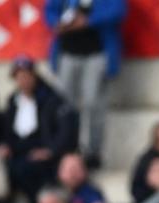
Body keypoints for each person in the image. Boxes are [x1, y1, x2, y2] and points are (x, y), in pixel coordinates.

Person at [45, 0, 127, 167]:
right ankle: (66, 149)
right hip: (68, 53)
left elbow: (118, 10)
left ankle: (92, 152)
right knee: (65, 106)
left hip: (96, 53)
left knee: (93, 104)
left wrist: (89, 21)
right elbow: (50, 10)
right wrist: (58, 23)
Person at [1, 56, 78, 203]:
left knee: (27, 170)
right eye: (19, 77)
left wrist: (51, 150)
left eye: (26, 75)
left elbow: (65, 130)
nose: (23, 80)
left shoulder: (51, 99)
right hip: (17, 152)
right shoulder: (13, 101)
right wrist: (5, 145)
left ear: (34, 76)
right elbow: (7, 131)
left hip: (43, 151)